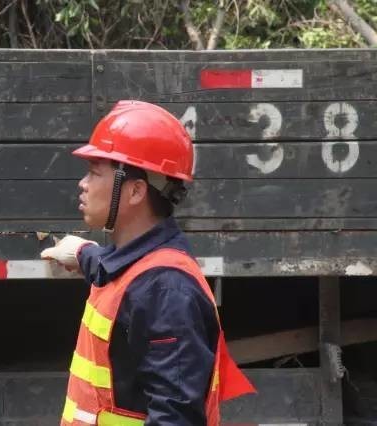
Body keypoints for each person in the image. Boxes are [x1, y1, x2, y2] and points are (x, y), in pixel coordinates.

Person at [41, 100, 255, 426]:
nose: (82, 184)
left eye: (94, 172)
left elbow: (176, 419)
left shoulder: (167, 291)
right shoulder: (137, 266)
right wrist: (82, 253)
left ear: (136, 192)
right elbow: (113, 268)